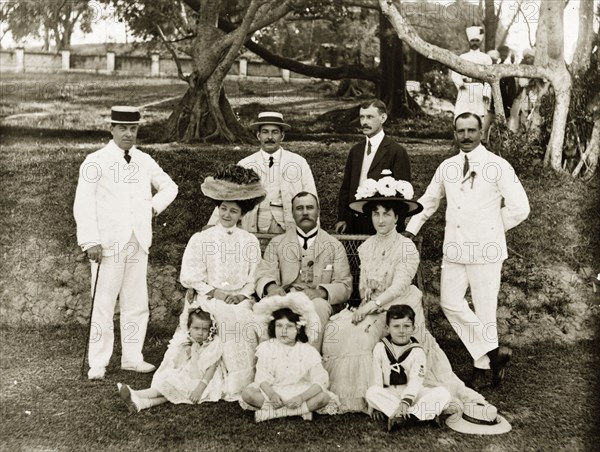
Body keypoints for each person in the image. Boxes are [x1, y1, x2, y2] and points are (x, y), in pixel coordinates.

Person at [322, 176, 490, 414]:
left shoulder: (406, 247)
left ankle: (398, 394)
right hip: (374, 306)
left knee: (363, 337)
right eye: (376, 214)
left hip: (399, 307)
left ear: (397, 217)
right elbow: (365, 289)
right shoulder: (366, 247)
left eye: (387, 214)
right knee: (339, 330)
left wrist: (373, 307)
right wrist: (367, 304)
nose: (381, 220)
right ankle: (359, 395)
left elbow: (399, 286)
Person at [404, 112, 530, 390]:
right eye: (460, 131)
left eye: (472, 130)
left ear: (481, 132)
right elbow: (429, 200)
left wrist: (492, 229)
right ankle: (494, 352)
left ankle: (481, 369)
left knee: (485, 310)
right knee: (449, 302)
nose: (466, 136)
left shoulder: (497, 165)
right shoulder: (448, 166)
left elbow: (521, 208)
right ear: (454, 133)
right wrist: (411, 229)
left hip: (486, 249)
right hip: (455, 248)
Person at [73, 105, 178, 380]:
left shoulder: (144, 160)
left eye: (133, 129)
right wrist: (90, 241)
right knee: (103, 303)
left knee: (136, 302)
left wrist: (153, 208)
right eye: (123, 128)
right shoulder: (95, 160)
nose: (128, 134)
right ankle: (98, 361)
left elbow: (170, 186)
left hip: (138, 241)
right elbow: (82, 204)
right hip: (107, 243)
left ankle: (132, 357)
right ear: (112, 129)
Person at [178, 164, 266, 400]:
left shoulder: (249, 241)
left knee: (245, 318)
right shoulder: (202, 238)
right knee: (224, 316)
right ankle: (210, 379)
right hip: (209, 297)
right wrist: (214, 292)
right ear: (218, 209)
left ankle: (240, 380)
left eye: (234, 211)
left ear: (241, 214)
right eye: (224, 209)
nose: (227, 215)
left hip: (239, 297)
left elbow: (254, 275)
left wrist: (243, 294)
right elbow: (190, 275)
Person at [255, 192, 352, 350]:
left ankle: (309, 364)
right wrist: (272, 287)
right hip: (286, 296)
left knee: (318, 307)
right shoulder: (277, 243)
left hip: (317, 301)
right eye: (299, 208)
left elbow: (345, 285)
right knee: (267, 307)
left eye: (310, 208)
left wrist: (321, 292)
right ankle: (270, 365)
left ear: (318, 211)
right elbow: (264, 273)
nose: (305, 212)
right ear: (292, 213)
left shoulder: (334, 245)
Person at [207, 111, 316, 233]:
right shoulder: (246, 163)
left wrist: (312, 232)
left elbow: (312, 198)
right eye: (265, 132)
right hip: (253, 226)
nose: (270, 137)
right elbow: (229, 195)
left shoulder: (298, 163)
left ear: (282, 136)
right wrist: (212, 225)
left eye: (274, 132)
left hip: (288, 227)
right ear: (258, 135)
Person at [241, 295, 338, 422]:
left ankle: (272, 413)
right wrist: (272, 394)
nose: (283, 331)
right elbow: (262, 378)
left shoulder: (307, 351)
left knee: (323, 397)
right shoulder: (267, 348)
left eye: (289, 326)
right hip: (274, 391)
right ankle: (300, 411)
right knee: (247, 394)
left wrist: (301, 398)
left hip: (299, 391)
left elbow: (320, 381)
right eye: (279, 326)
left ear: (298, 329)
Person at [117, 307, 223, 413]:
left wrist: (199, 389)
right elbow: (176, 363)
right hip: (184, 375)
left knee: (171, 385)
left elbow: (211, 369)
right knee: (171, 389)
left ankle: (136, 394)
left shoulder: (212, 345)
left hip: (202, 381)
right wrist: (188, 350)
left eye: (204, 329)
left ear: (210, 330)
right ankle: (140, 404)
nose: (200, 333)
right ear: (189, 328)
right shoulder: (185, 342)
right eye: (196, 328)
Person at [366, 305, 451, 432]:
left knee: (443, 394)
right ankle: (423, 415)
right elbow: (377, 377)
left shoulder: (417, 351)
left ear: (413, 328)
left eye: (406, 326)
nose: (401, 331)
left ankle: (402, 417)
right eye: (396, 326)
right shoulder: (380, 347)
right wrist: (376, 406)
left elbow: (416, 380)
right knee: (371, 392)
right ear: (387, 328)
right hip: (391, 392)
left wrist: (405, 402)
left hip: (413, 393)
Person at [335, 99, 411, 235]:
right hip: (354, 223)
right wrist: (342, 218)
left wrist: (395, 226)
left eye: (370, 117)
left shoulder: (396, 151)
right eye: (362, 117)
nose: (364, 122)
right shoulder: (356, 151)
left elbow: (403, 194)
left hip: (382, 226)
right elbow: (346, 188)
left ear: (383, 118)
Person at [450, 26, 493, 121]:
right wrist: (460, 84)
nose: (474, 43)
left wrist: (486, 92)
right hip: (465, 89)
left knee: (479, 117)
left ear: (480, 42)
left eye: (477, 40)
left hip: (479, 89)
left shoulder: (486, 58)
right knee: (461, 115)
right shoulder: (462, 57)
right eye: (472, 40)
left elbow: (489, 77)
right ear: (469, 41)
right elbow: (455, 73)